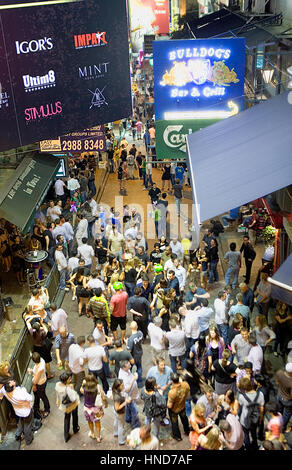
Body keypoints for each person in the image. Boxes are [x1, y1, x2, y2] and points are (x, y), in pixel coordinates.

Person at [0, 380, 34, 445]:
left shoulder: (4, 390)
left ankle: (18, 435)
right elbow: (30, 398)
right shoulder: (19, 393)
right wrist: (24, 389)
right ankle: (28, 440)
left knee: (21, 422)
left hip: (18, 412)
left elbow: (0, 395)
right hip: (26, 412)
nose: (12, 381)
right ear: (13, 388)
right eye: (11, 382)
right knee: (27, 426)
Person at [237, 376, 265, 450]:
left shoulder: (241, 397)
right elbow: (262, 409)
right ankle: (255, 445)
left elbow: (240, 410)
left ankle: (248, 448)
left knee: (246, 435)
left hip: (245, 420)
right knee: (254, 434)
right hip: (255, 418)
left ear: (243, 388)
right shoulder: (260, 394)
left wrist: (238, 418)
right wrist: (260, 420)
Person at [81, 373, 108, 443]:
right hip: (97, 409)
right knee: (97, 422)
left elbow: (81, 389)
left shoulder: (84, 389)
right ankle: (98, 437)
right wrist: (106, 404)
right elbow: (103, 397)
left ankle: (92, 433)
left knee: (90, 421)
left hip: (87, 409)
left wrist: (83, 384)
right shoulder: (98, 387)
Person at [55, 372, 80, 443]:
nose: (70, 379)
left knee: (66, 418)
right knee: (75, 416)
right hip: (72, 405)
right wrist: (72, 388)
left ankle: (66, 435)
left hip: (64, 406)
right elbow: (73, 398)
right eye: (69, 379)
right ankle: (75, 428)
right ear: (66, 380)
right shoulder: (68, 388)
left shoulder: (57, 385)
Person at [167, 373, 190, 442]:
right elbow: (188, 395)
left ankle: (177, 436)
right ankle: (187, 431)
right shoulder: (185, 384)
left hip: (174, 410)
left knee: (174, 422)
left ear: (172, 381)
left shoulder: (172, 392)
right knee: (184, 419)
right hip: (182, 406)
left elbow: (169, 405)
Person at [28, 352, 50, 420]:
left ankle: (47, 409)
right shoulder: (42, 360)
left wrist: (34, 386)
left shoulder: (40, 368)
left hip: (40, 384)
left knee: (43, 396)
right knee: (37, 396)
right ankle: (36, 409)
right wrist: (32, 370)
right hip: (41, 381)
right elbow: (36, 371)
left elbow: (36, 380)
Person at [118, 360, 140, 429]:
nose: (130, 366)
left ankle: (128, 418)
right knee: (134, 411)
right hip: (128, 396)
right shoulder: (123, 377)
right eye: (129, 365)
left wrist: (134, 375)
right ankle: (135, 425)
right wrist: (133, 379)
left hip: (132, 394)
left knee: (128, 407)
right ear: (124, 368)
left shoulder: (125, 370)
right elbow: (126, 390)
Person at [275, 362, 292, 432]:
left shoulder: (279, 373)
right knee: (286, 415)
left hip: (279, 395)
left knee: (279, 412)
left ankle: (278, 423)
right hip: (287, 400)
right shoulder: (291, 382)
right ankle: (282, 428)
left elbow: (277, 383)